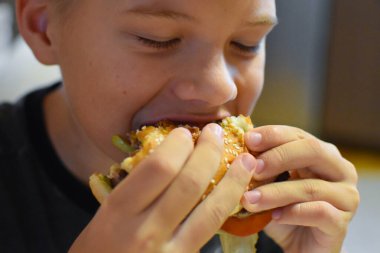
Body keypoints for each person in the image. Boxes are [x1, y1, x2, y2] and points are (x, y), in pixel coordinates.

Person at [0, 0, 359, 252]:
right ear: (44, 27)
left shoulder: (264, 206)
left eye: (246, 44)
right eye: (158, 39)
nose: (221, 87)